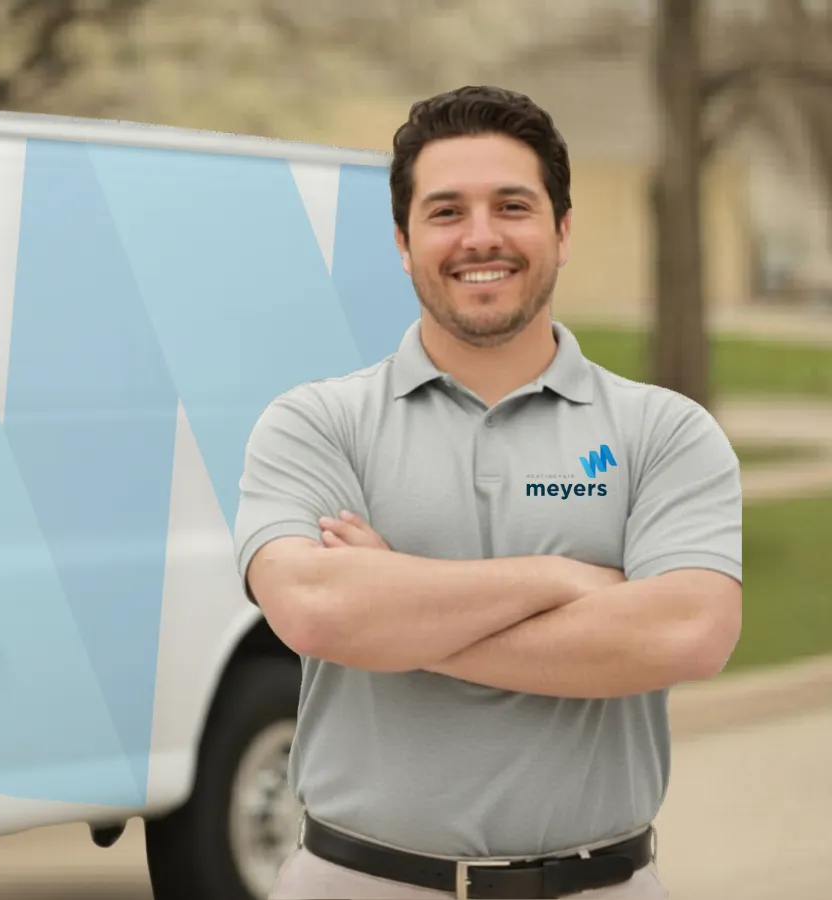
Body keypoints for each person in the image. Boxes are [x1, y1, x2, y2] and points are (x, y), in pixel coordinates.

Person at [233, 85, 743, 900]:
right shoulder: (316, 424)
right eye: (445, 212)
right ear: (402, 243)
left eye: (512, 205)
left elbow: (688, 633)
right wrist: (563, 582)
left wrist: (398, 608)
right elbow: (316, 613)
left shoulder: (666, 432)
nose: (480, 237)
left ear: (562, 230)